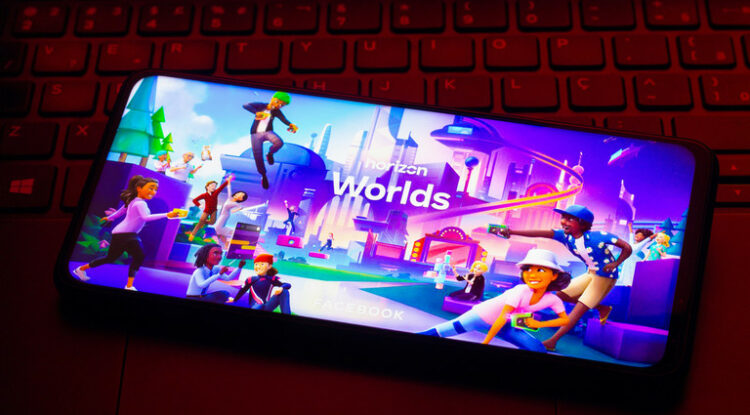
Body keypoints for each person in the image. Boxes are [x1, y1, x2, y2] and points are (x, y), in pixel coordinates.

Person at [498, 205, 632, 351]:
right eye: (563, 218)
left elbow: (627, 247)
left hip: (605, 276)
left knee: (579, 309)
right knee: (561, 294)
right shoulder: (565, 237)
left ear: (582, 223)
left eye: (570, 219)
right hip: (591, 273)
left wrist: (616, 263)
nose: (564, 222)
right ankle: (601, 307)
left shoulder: (599, 236)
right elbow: (542, 233)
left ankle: (553, 341)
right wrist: (512, 232)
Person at [418, 249, 570, 353]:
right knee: (444, 330)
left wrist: (539, 324)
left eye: (541, 270)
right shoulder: (520, 290)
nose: (533, 275)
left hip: (507, 324)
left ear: (554, 275)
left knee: (537, 349)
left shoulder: (552, 299)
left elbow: (564, 320)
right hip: (481, 316)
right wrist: (486, 343)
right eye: (528, 270)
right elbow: (502, 316)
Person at [73, 175, 183, 290]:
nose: (153, 192)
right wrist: (167, 214)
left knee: (111, 258)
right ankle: (129, 286)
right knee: (138, 256)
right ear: (139, 188)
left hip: (124, 234)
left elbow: (122, 210)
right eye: (151, 188)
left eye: (155, 189)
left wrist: (110, 217)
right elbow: (145, 217)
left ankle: (80, 269)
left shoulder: (134, 200)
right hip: (126, 234)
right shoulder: (140, 203)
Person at [242, 91, 299, 189]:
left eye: (282, 105)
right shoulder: (261, 105)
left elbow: (283, 119)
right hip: (255, 134)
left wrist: (290, 125)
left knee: (279, 142)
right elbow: (246, 105)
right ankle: (263, 175)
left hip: (268, 132)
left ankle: (270, 154)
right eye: (278, 102)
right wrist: (257, 113)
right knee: (258, 155)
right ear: (273, 99)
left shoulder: (276, 111)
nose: (279, 106)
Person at [189, 176, 232, 241]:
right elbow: (194, 200)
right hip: (206, 211)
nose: (214, 187)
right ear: (207, 187)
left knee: (212, 222)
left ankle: (202, 222)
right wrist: (199, 205)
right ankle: (192, 235)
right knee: (199, 224)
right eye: (212, 185)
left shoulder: (215, 193)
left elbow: (221, 187)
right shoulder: (204, 195)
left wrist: (228, 180)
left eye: (215, 186)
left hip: (214, 211)